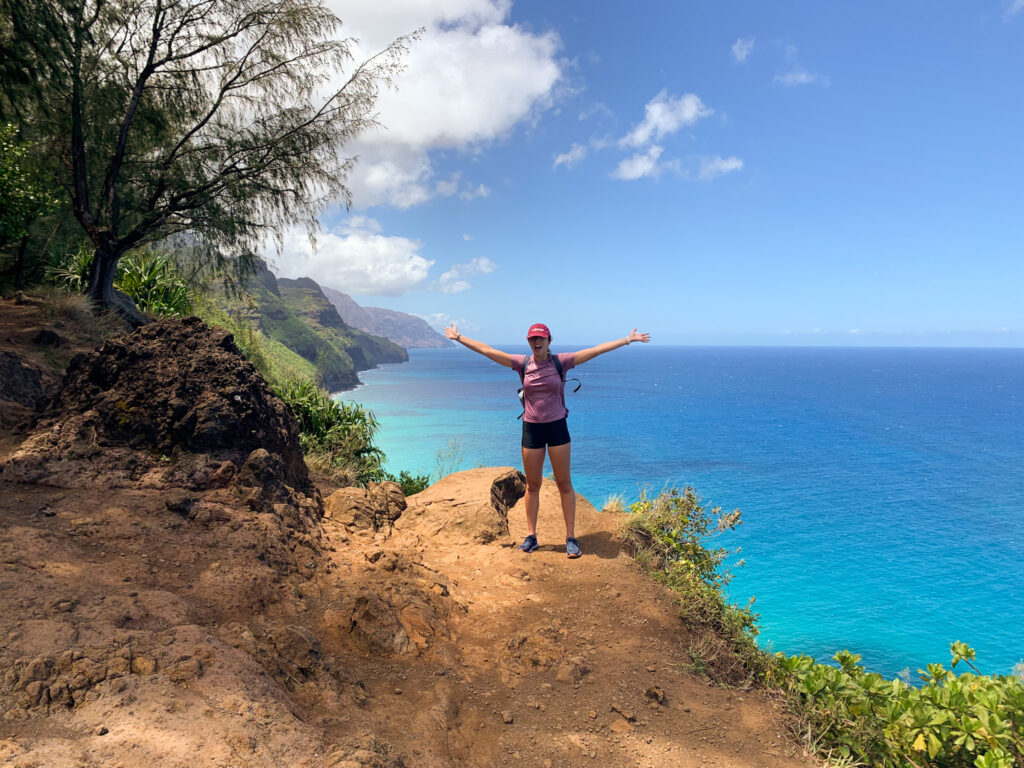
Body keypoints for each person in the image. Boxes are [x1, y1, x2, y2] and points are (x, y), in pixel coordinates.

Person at [444, 321, 651, 558]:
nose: (537, 342)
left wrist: (626, 340)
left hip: (557, 429)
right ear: (529, 342)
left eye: (541, 338)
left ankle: (571, 537)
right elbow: (488, 351)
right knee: (532, 485)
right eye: (533, 339)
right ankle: (531, 536)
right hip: (531, 429)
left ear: (549, 341)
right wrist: (459, 338)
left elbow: (595, 351)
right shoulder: (521, 364)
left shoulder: (560, 362)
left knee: (564, 484)